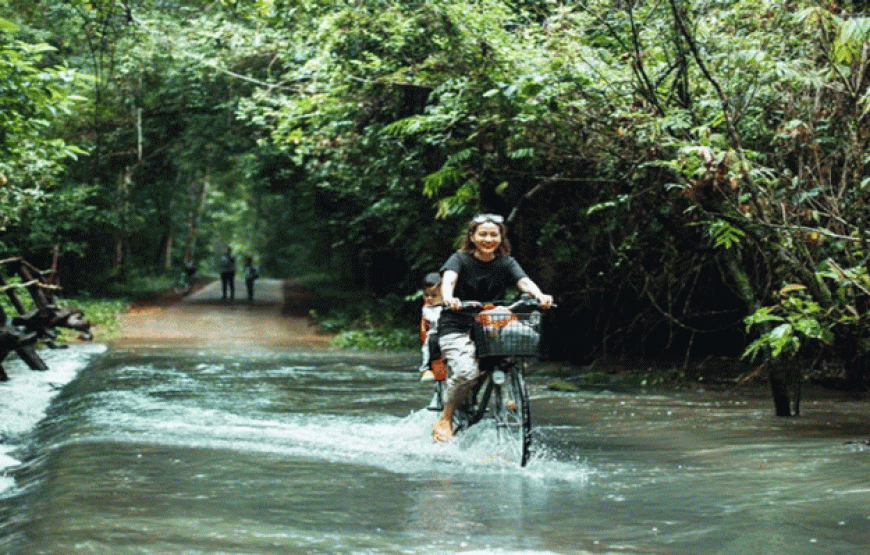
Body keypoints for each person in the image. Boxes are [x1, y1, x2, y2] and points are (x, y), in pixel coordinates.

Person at [432, 213, 553, 443]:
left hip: (491, 322)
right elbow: (449, 280)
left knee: (510, 353)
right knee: (466, 372)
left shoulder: (506, 262)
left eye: (494, 234)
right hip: (458, 323)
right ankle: (445, 418)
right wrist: (449, 298)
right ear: (472, 237)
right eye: (483, 234)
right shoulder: (459, 259)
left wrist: (539, 295)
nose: (489, 239)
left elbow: (524, 282)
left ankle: (504, 395)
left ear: (501, 237)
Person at [418, 272, 446, 382]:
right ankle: (428, 368)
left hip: (448, 339)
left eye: (434, 295)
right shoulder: (426, 309)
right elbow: (424, 334)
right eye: (426, 295)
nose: (429, 298)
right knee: (430, 341)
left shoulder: (451, 305)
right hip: (434, 345)